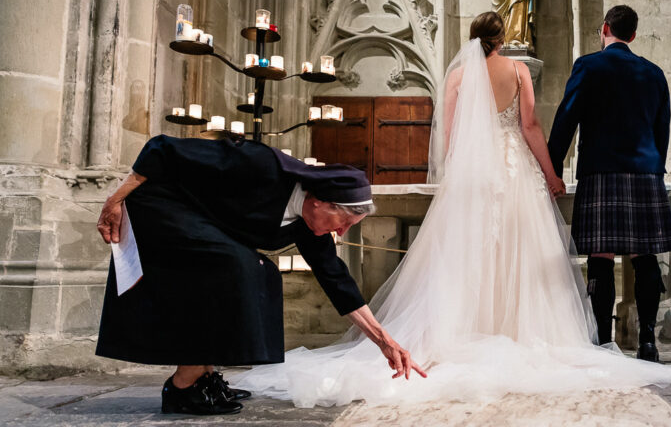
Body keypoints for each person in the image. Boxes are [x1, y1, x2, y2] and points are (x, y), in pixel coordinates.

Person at [232, 11, 671, 407]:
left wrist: (457, 175)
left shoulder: (456, 77)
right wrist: (551, 173)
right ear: (503, 38)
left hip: (474, 178)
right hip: (522, 175)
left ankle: (470, 332)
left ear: (472, 39)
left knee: (474, 256)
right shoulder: (520, 71)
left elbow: (449, 137)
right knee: (531, 257)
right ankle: (598, 337)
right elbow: (530, 125)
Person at [94, 136, 424, 415]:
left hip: (201, 224)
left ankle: (203, 378)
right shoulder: (261, 165)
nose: (340, 233)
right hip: (161, 205)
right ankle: (181, 387)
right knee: (239, 266)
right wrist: (115, 200)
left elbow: (338, 282)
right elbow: (160, 148)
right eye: (343, 223)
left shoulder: (311, 228)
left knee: (260, 273)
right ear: (320, 201)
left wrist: (385, 341)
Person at [548, 4, 671, 362]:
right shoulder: (654, 73)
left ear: (604, 28)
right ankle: (648, 342)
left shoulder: (588, 66)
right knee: (645, 256)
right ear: (633, 35)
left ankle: (604, 342)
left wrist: (552, 166)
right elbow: (661, 128)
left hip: (601, 170)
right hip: (645, 172)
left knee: (600, 257)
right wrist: (655, 167)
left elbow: (566, 119)